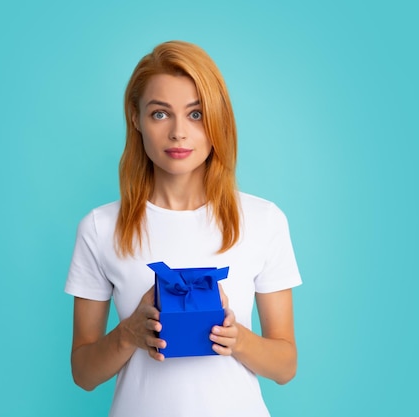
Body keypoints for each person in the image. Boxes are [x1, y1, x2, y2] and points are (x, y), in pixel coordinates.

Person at [65, 40, 302, 417]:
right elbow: (84, 373)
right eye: (161, 114)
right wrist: (129, 333)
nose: (178, 133)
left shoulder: (263, 220)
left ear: (217, 119)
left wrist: (237, 339)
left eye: (196, 114)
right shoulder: (99, 228)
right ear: (136, 119)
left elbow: (286, 365)